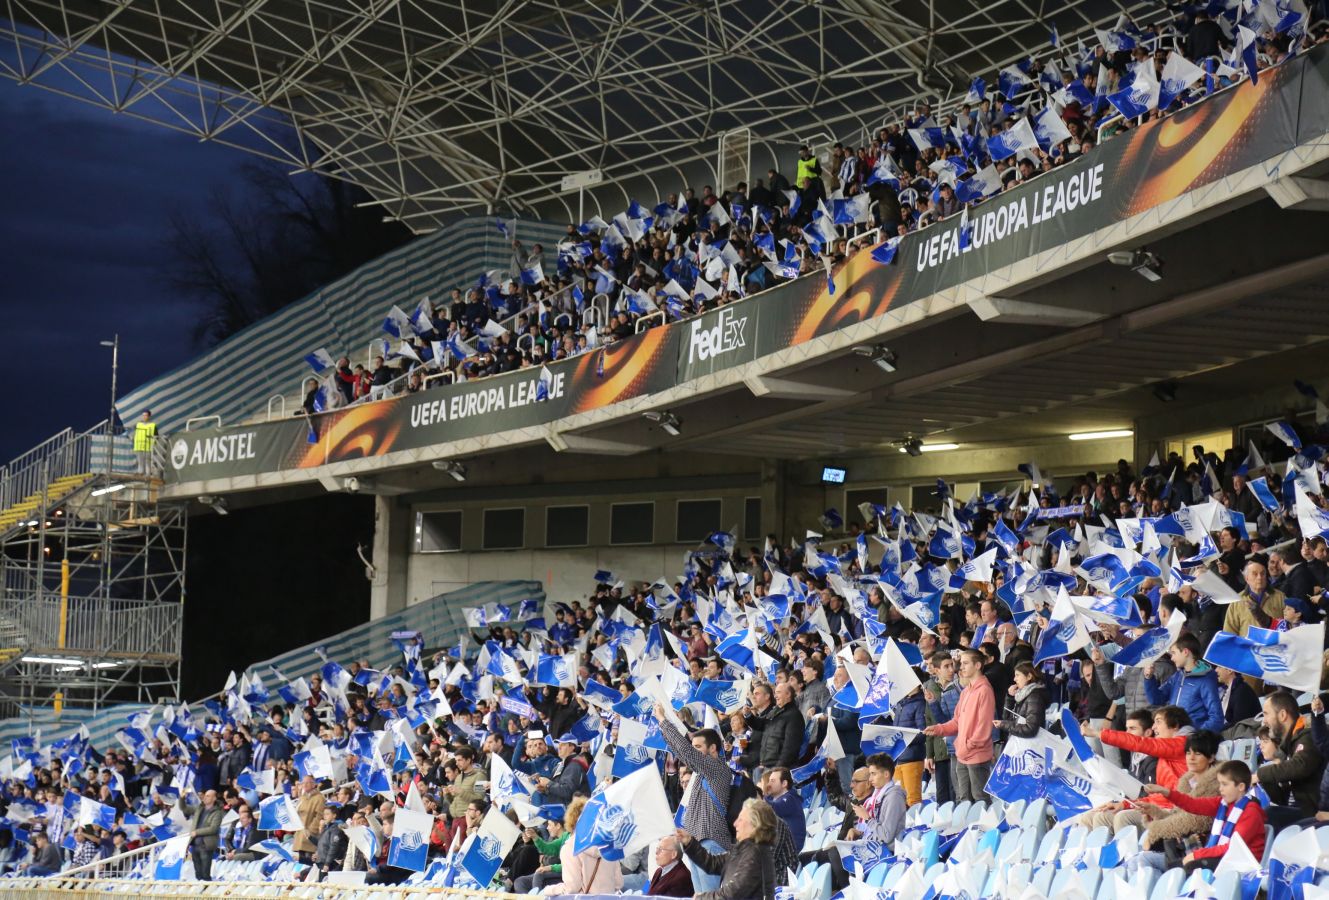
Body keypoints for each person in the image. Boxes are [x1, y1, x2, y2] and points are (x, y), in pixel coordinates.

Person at [1142, 760, 1266, 875]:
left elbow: (1232, 848)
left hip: (1238, 866)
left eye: (1224, 784)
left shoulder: (1251, 812)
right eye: (1219, 783)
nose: (1220, 789)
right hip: (1219, 858)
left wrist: (1197, 855)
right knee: (1146, 859)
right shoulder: (1222, 803)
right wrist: (1165, 792)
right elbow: (1192, 804)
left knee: (1188, 867)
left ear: (1241, 787)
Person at [923, 650, 995, 802]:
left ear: (978, 665)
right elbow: (956, 722)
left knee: (979, 798)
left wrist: (967, 746)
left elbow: (984, 727)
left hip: (976, 754)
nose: (960, 667)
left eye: (965, 663)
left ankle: (984, 826)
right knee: (964, 799)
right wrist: (938, 729)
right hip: (963, 754)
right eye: (961, 663)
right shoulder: (966, 692)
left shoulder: (984, 690)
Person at [675, 798, 777, 900]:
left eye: (740, 819)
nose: (735, 823)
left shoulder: (755, 854)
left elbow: (734, 893)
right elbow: (712, 863)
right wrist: (689, 842)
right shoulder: (744, 851)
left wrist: (702, 898)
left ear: (755, 825)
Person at [1256, 690, 1323, 829]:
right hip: (1303, 811)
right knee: (1263, 814)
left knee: (1269, 817)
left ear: (1282, 715)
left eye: (1266, 714)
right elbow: (1281, 800)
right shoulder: (1286, 746)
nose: (1264, 720)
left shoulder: (1309, 736)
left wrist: (1260, 775)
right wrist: (1267, 780)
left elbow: (1300, 766)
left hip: (1318, 813)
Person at [1144, 635, 1225, 734]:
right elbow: (1156, 699)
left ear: (1186, 652)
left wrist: (1195, 737)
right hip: (1175, 737)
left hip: (1190, 742)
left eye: (1173, 653)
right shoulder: (1178, 676)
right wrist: (1149, 677)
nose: (1172, 658)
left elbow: (1216, 717)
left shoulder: (1206, 679)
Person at [541, 797, 622, 895]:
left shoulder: (570, 848)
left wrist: (549, 890)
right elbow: (619, 883)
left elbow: (571, 888)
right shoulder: (609, 845)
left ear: (571, 820)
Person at [993, 662, 1049, 739]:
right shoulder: (1021, 694)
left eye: (1017, 675)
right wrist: (1010, 697)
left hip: (1026, 745)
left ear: (1029, 676)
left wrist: (1003, 724)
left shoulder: (1034, 697)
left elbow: (1030, 729)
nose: (1014, 679)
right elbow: (1007, 718)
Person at [185, 788, 225, 881]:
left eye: (208, 796)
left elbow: (213, 829)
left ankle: (207, 891)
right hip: (195, 845)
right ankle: (201, 892)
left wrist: (197, 832)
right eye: (205, 795)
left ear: (214, 798)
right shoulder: (199, 808)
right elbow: (184, 808)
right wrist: (182, 798)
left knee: (205, 873)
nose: (205, 797)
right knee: (198, 873)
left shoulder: (217, 813)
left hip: (206, 845)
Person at [762, 768, 805, 852]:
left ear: (784, 783)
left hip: (789, 850)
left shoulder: (791, 799)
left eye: (773, 781)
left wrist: (761, 795)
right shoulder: (772, 798)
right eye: (769, 781)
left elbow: (776, 808)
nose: (769, 784)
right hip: (778, 847)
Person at [292, 776, 326, 865]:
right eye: (303, 783)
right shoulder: (302, 797)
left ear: (314, 784)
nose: (305, 785)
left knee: (309, 864)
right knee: (301, 864)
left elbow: (320, 816)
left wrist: (310, 832)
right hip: (300, 835)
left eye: (308, 782)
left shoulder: (319, 798)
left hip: (310, 838)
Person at [132, 409, 157, 476]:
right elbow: (134, 433)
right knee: (140, 460)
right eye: (143, 415)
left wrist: (154, 444)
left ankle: (148, 474)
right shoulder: (138, 424)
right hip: (139, 445)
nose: (144, 417)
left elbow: (156, 435)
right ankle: (140, 472)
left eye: (146, 415)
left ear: (149, 416)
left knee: (147, 461)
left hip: (148, 445)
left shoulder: (153, 425)